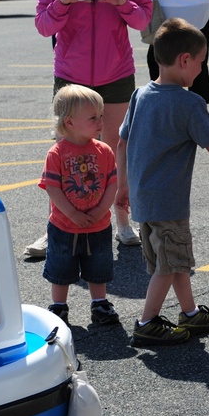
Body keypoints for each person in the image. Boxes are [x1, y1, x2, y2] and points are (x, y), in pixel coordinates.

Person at [116, 18, 209, 346]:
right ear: (184, 60)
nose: (200, 69)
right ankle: (146, 322)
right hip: (169, 202)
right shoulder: (188, 103)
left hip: (143, 199)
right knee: (167, 267)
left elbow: (122, 142)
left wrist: (121, 186)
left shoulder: (140, 94)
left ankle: (191, 313)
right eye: (200, 62)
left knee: (173, 261)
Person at [31, 0, 152, 259]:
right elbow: (42, 25)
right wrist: (64, 1)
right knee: (69, 153)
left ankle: (121, 221)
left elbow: (144, 16)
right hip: (71, 74)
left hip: (115, 72)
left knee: (115, 148)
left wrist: (122, 2)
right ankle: (58, 226)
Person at [40, 85, 120, 326]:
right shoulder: (57, 153)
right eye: (93, 117)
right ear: (70, 122)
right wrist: (73, 213)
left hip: (98, 224)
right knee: (61, 268)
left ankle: (99, 303)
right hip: (65, 225)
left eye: (101, 116)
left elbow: (111, 184)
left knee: (98, 266)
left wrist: (100, 210)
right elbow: (52, 188)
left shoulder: (104, 150)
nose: (100, 122)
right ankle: (59, 306)